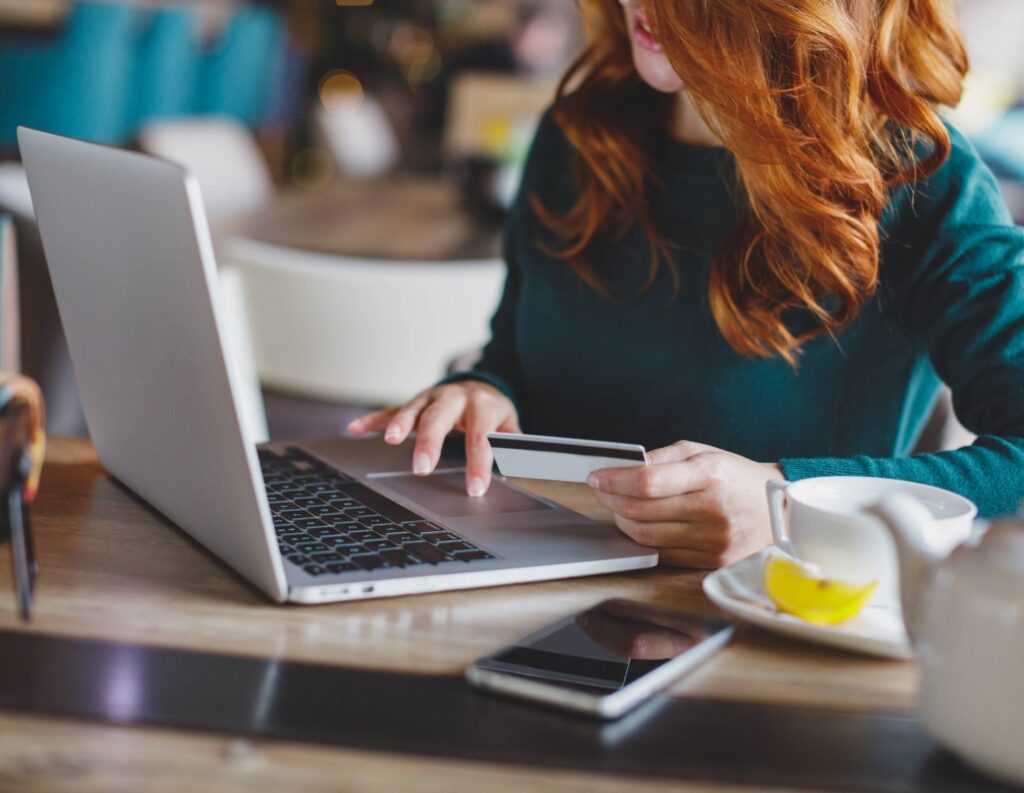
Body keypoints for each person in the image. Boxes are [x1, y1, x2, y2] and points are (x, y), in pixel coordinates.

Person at [350, 0, 1024, 569]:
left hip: (769, 640)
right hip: (520, 596)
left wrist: (787, 504)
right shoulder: (579, 133)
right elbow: (514, 362)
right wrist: (483, 392)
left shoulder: (927, 185)